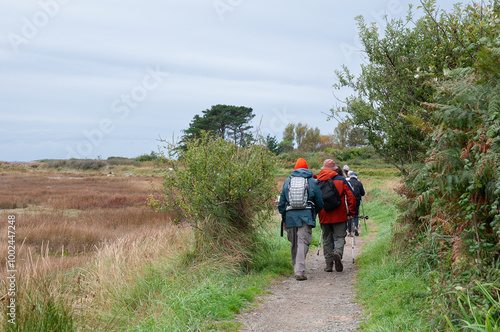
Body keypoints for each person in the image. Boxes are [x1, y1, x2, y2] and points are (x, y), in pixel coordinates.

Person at [278, 158, 323, 281]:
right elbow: (319, 201)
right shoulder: (312, 181)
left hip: (290, 216)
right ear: (307, 168)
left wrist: (284, 217)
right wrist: (314, 213)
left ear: (295, 168)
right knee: (302, 242)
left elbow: (282, 202)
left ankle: (296, 267)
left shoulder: (288, 181)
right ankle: (300, 270)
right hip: (306, 215)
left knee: (294, 243)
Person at [318, 159, 357, 272]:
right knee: (339, 237)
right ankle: (338, 253)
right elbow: (351, 197)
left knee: (326, 239)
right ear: (335, 169)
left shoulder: (318, 181)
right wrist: (352, 212)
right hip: (340, 215)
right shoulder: (341, 180)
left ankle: (329, 264)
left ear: (324, 169)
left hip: (324, 215)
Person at [347, 171, 366, 236]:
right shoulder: (359, 183)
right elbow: (363, 193)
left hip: (348, 202)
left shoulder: (347, 183)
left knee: (349, 215)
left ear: (350, 176)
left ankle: (350, 231)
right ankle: (355, 226)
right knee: (356, 214)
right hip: (357, 202)